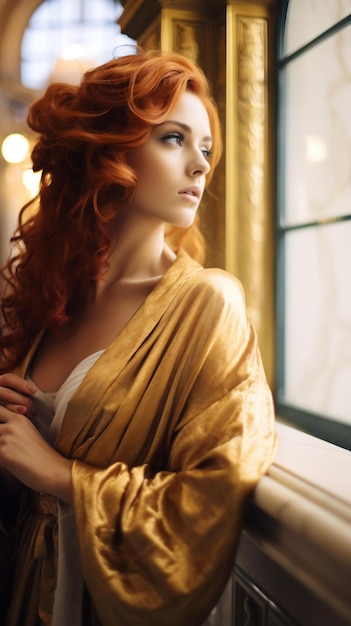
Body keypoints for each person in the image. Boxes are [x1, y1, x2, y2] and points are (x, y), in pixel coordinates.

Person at [0, 49, 277, 626]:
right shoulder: (57, 295)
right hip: (25, 592)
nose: (201, 166)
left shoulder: (208, 303)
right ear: (110, 148)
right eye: (175, 139)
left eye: (205, 148)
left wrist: (58, 474)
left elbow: (214, 495)